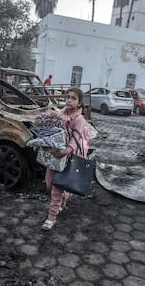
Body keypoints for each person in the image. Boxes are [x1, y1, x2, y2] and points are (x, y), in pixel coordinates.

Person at [41, 87, 90, 231]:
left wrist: (66, 151)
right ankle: (65, 197)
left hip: (68, 155)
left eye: (73, 98)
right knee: (49, 184)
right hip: (55, 154)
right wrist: (45, 143)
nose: (69, 100)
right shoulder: (59, 114)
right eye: (68, 97)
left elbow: (75, 140)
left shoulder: (79, 119)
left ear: (80, 103)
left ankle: (51, 218)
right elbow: (51, 131)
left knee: (56, 187)